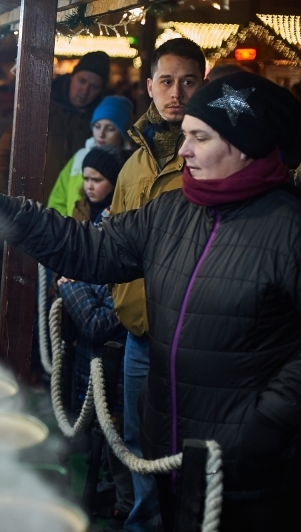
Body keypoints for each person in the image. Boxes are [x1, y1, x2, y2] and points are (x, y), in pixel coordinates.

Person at [0, 71, 301, 531]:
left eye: (199, 137)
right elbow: (86, 249)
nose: (185, 149)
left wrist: (266, 427)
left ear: (245, 145)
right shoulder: (172, 212)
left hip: (254, 475)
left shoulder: (291, 227)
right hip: (170, 455)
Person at [108, 37, 205, 532]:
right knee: (138, 442)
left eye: (188, 82)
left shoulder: (211, 160)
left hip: (191, 336)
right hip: (139, 332)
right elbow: (115, 243)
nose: (176, 93)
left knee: (186, 449)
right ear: (149, 87)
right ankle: (142, 524)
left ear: (202, 85)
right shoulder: (134, 164)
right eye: (166, 82)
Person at [58, 145, 132, 531]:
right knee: (97, 447)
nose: (88, 186)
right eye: (85, 179)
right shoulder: (88, 222)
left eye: (97, 179)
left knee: (119, 451)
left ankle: (121, 504)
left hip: (111, 372)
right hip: (91, 371)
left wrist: (69, 286)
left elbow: (99, 320)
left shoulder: (119, 236)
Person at [47, 95, 133, 216]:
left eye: (110, 129)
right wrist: (64, 227)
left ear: (122, 133)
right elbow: (57, 199)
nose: (101, 134)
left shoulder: (130, 165)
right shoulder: (79, 158)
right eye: (97, 127)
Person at [44, 51, 110, 198]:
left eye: (94, 87)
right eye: (82, 81)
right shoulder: (44, 106)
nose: (85, 90)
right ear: (72, 77)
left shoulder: (100, 123)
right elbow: (5, 155)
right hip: (34, 201)